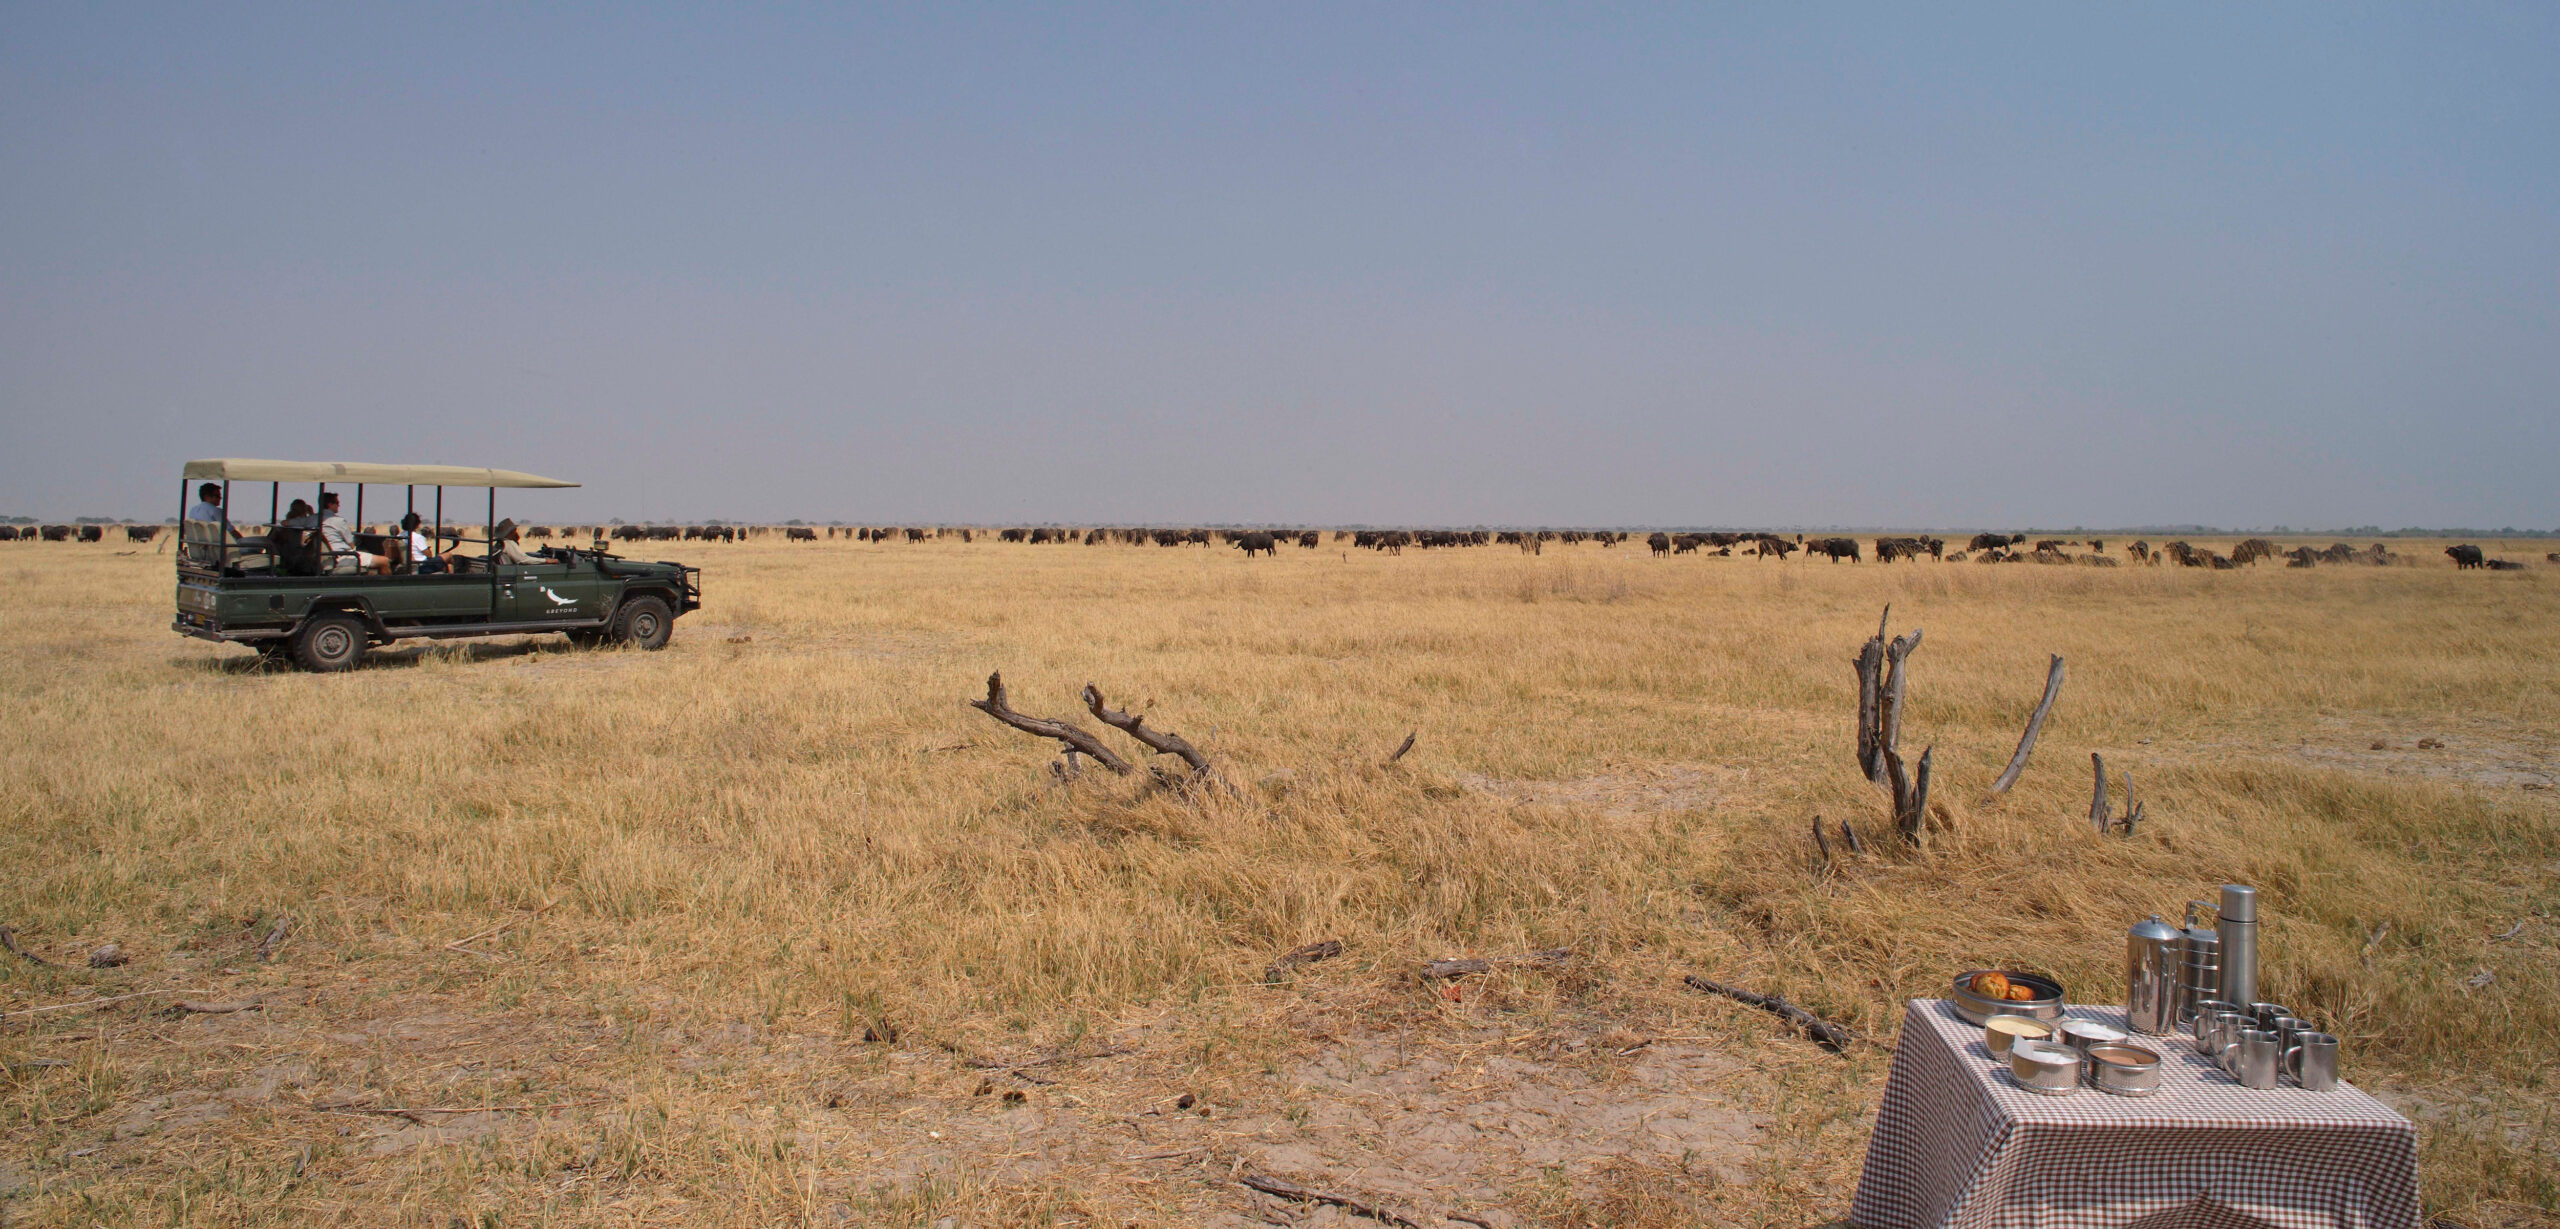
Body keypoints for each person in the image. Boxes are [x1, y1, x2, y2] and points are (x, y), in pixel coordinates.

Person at [318, 492, 390, 575]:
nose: (339, 505)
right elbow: (351, 543)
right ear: (330, 504)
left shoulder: (311, 520)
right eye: (337, 503)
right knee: (384, 561)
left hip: (325, 556)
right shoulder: (338, 521)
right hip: (340, 556)